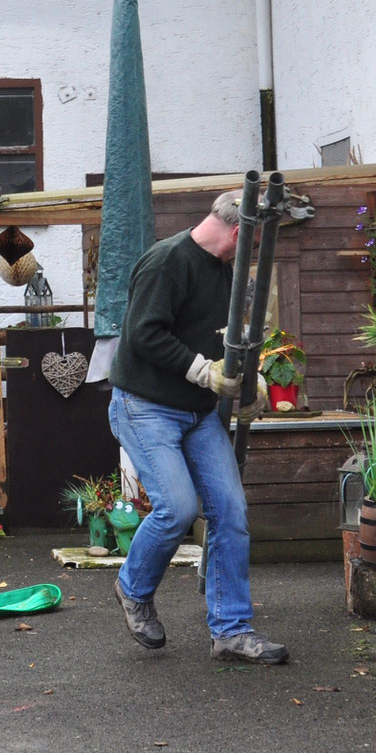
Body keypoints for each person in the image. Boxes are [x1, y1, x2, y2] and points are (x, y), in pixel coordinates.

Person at [107, 189, 288, 665]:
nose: (251, 253)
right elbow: (143, 334)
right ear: (236, 231)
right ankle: (132, 588)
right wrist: (203, 372)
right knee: (178, 508)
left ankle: (230, 631)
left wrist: (250, 384)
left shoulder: (222, 272)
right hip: (144, 406)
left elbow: (223, 340)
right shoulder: (167, 261)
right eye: (250, 240)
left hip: (196, 412)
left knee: (230, 511)